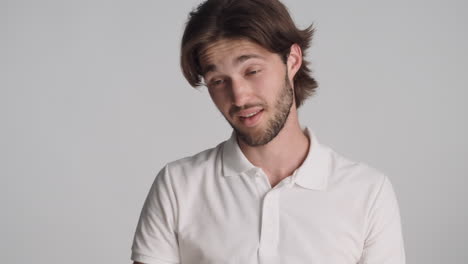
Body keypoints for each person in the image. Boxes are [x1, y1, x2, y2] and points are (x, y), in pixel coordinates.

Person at [130, 0, 406, 263]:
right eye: (218, 80)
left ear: (292, 60)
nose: (239, 97)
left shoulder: (367, 192)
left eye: (252, 71)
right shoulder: (178, 185)